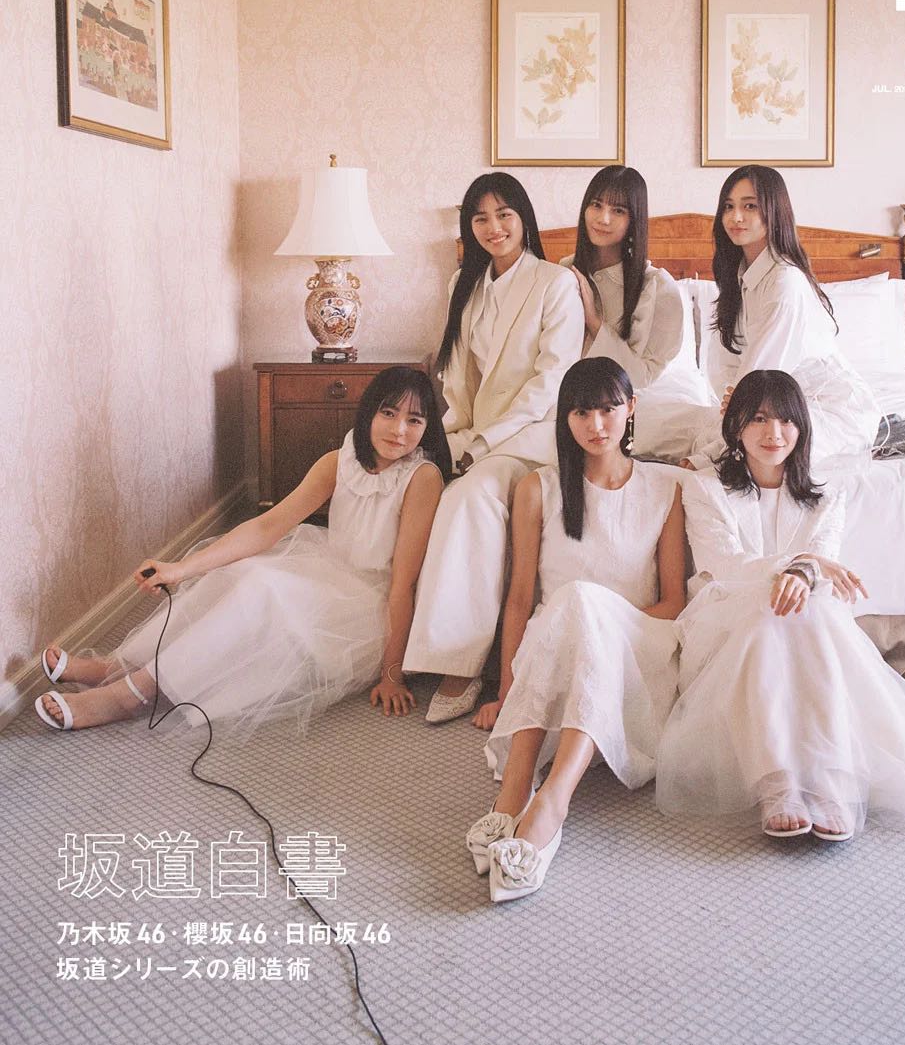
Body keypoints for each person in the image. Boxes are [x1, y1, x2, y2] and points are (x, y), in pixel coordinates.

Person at [35, 367, 450, 734]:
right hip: (330, 569)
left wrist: (392, 673)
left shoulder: (422, 477)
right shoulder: (339, 461)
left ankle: (128, 696)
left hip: (372, 604)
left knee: (263, 591)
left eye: (414, 420)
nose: (399, 430)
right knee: (242, 570)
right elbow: (267, 527)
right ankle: (117, 668)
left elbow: (403, 585)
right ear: (369, 413)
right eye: (388, 413)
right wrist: (181, 568)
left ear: (428, 428)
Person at [656, 369, 905, 841]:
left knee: (814, 610)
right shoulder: (704, 486)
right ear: (735, 425)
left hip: (809, 616)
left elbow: (822, 563)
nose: (774, 432)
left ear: (802, 427)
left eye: (786, 420)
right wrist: (800, 565)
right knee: (768, 616)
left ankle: (830, 781)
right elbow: (722, 564)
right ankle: (778, 783)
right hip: (725, 615)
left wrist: (804, 572)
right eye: (759, 418)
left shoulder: (826, 493)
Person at [467, 358, 685, 901]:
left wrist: (604, 618)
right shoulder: (538, 488)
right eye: (581, 412)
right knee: (573, 603)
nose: (596, 425)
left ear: (631, 408)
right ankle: (520, 787)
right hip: (553, 656)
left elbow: (673, 603)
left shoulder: (666, 489)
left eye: (608, 409)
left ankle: (550, 798)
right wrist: (505, 689)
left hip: (634, 654)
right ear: (564, 418)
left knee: (584, 600)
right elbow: (521, 598)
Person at [403, 173, 584, 723]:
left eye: (504, 214)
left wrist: (482, 444)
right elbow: (457, 374)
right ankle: (399, 640)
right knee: (411, 475)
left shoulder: (555, 283)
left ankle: (459, 665)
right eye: (480, 218)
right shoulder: (465, 281)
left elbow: (551, 383)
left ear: (524, 218)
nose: (493, 227)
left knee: (471, 495)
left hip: (531, 436)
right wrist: (450, 437)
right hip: (474, 432)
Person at [685, 165, 880, 473]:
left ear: (774, 211)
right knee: (688, 431)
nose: (736, 217)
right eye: (728, 207)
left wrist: (710, 453)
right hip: (770, 407)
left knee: (744, 456)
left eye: (750, 206)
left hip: (828, 411)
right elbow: (734, 375)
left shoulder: (784, 283)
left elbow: (757, 380)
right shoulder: (740, 277)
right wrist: (732, 403)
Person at [562, 165, 688, 456]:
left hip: (632, 410)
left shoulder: (657, 287)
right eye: (596, 205)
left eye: (618, 210)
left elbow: (643, 378)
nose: (603, 218)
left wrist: (595, 322)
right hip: (567, 405)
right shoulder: (564, 272)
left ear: (634, 220)